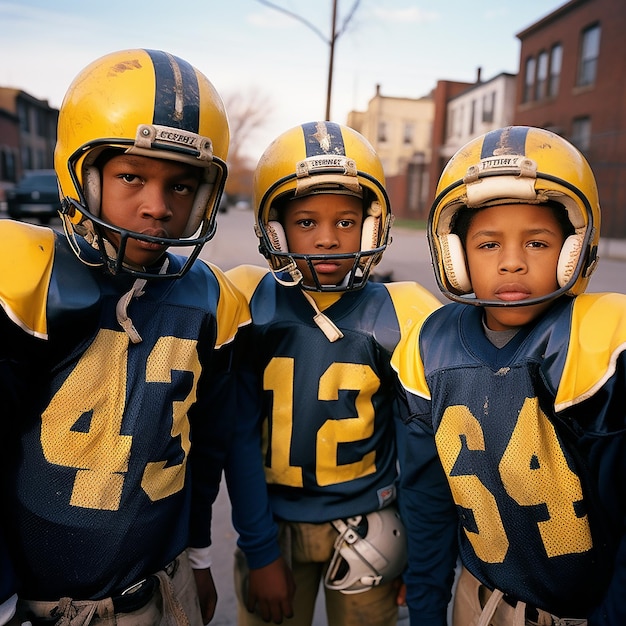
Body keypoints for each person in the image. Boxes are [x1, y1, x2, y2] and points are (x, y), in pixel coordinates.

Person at [0, 48, 281, 626]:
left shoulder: (208, 297)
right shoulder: (29, 276)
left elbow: (204, 450)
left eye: (181, 187)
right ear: (81, 173)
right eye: (131, 177)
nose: (157, 207)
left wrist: (201, 557)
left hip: (156, 587)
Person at [395, 125, 626, 626]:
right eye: (488, 244)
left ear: (574, 249)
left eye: (538, 243)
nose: (513, 263)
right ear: (454, 256)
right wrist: (426, 608)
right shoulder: (428, 346)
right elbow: (428, 501)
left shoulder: (600, 341)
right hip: (474, 600)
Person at [224, 121, 442, 626]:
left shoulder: (400, 309)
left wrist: (421, 548)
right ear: (273, 227)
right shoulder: (248, 301)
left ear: (372, 225)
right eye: (305, 223)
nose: (327, 239)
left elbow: (421, 451)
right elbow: (233, 436)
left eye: (346, 222)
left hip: (372, 522)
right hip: (274, 525)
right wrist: (259, 551)